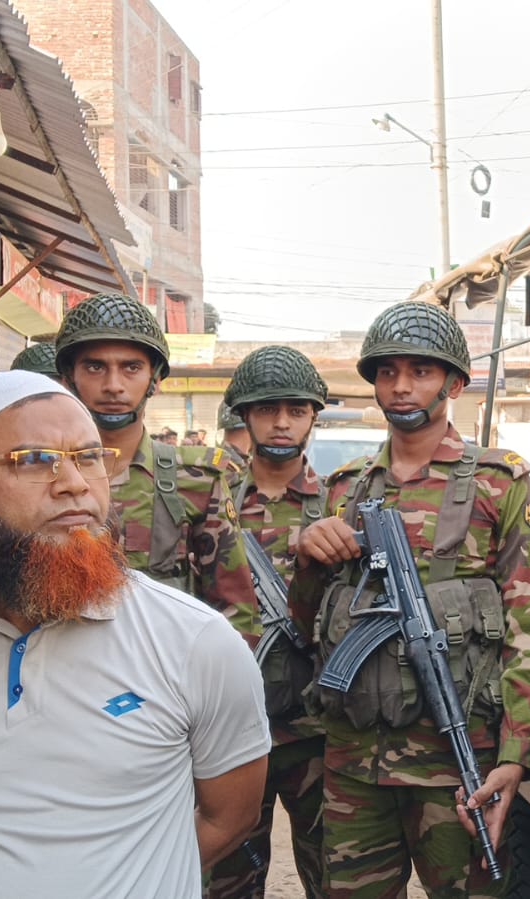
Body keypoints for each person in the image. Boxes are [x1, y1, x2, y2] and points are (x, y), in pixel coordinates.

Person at [0, 370, 271, 898]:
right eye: (34, 461)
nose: (74, 484)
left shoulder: (197, 642)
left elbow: (230, 817)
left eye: (89, 457)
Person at [295, 302, 530, 897]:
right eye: (387, 372)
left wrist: (515, 759)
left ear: (455, 384)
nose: (401, 385)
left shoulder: (499, 484)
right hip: (355, 761)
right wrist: (309, 557)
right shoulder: (346, 489)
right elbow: (307, 620)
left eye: (420, 370)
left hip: (456, 762)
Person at [206, 346, 330, 899]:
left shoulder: (342, 503)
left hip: (316, 731)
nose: (282, 422)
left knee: (332, 877)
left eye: (297, 410)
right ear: (244, 416)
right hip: (229, 733)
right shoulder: (211, 503)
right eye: (267, 409)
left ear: (312, 418)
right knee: (229, 879)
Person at [52, 293, 254, 629]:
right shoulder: (37, 474)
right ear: (68, 378)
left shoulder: (197, 480)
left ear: (155, 380)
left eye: (131, 368)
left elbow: (236, 613)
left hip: (165, 671)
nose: (113, 385)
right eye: (95, 367)